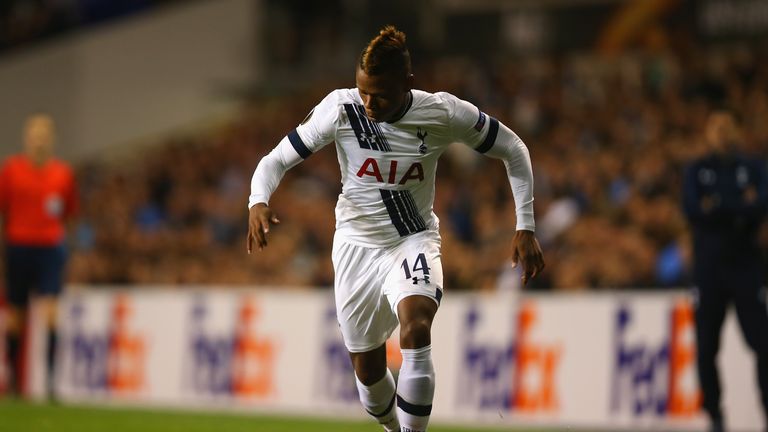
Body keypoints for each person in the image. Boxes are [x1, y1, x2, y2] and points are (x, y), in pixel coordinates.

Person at [246, 26, 544, 432]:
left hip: (413, 239)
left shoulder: (441, 112)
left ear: (408, 83)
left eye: (380, 94)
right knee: (368, 372)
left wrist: (524, 225)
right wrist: (258, 201)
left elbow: (513, 148)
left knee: (416, 323)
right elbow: (274, 161)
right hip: (355, 247)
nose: (369, 103)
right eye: (363, 91)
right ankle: (391, 426)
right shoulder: (341, 110)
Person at [682, 110, 768, 432]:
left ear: (736, 132)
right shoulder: (696, 169)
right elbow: (692, 209)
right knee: (706, 348)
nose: (721, 133)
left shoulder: (753, 166)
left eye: (726, 127)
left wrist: (716, 205)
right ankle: (715, 415)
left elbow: (762, 204)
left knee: (763, 344)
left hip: (746, 268)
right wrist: (739, 208)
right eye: (715, 128)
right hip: (709, 271)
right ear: (708, 133)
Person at [0, 114, 78, 397]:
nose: (39, 139)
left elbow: (69, 215)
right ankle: (11, 380)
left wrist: (62, 247)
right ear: (26, 138)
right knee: (16, 316)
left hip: (49, 249)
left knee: (52, 313)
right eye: (34, 133)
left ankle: (51, 382)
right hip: (18, 246)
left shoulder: (63, 174)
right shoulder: (11, 170)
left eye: (44, 134)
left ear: (52, 139)